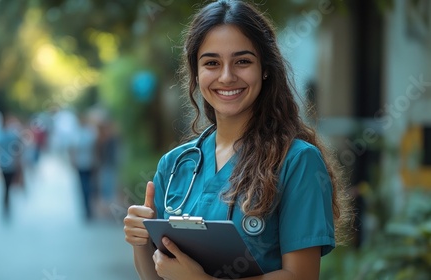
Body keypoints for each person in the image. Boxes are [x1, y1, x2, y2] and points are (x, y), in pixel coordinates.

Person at [123, 1, 352, 279]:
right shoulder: (175, 165)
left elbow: (301, 276)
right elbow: (156, 275)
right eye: (211, 63)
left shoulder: (297, 161)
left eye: (242, 61)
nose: (227, 76)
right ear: (196, 73)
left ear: (265, 68)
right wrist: (141, 240)